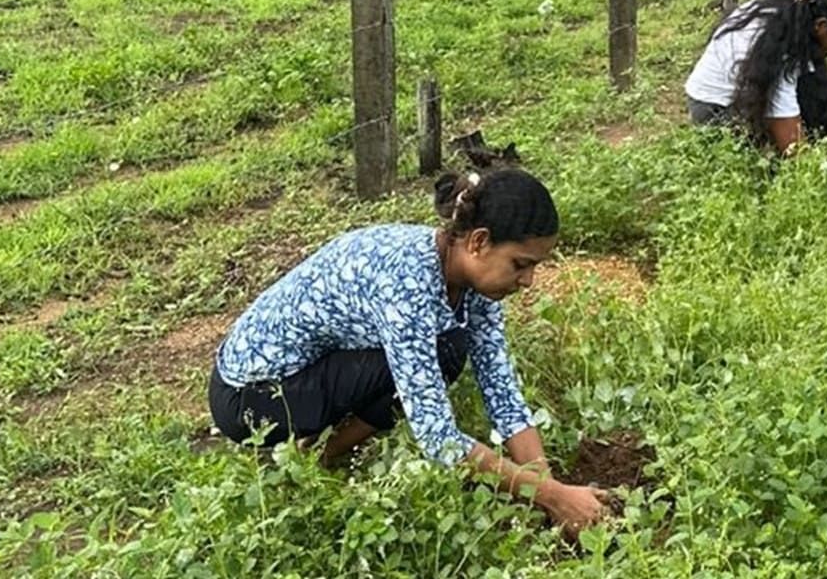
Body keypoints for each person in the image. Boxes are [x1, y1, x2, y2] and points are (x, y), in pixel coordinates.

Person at [208, 167, 611, 534]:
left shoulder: (471, 283)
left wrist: (550, 492)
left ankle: (320, 452)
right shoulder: (407, 282)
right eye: (520, 264)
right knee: (438, 352)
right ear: (479, 241)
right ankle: (314, 458)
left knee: (446, 350)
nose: (528, 281)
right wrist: (553, 497)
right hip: (252, 398)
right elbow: (437, 437)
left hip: (313, 369)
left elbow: (502, 393)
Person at [683, 0, 827, 153]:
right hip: (713, 109)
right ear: (821, 25)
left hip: (728, 94)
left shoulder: (793, 13)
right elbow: (793, 150)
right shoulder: (780, 48)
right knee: (770, 155)